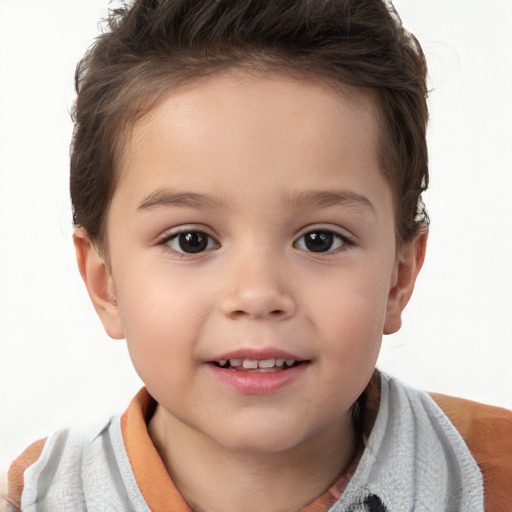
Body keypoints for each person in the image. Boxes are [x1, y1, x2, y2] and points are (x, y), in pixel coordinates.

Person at [5, 0, 512, 510]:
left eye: (320, 239)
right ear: (104, 283)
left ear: (399, 279)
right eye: (191, 240)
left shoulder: (496, 473)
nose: (257, 294)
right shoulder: (39, 494)